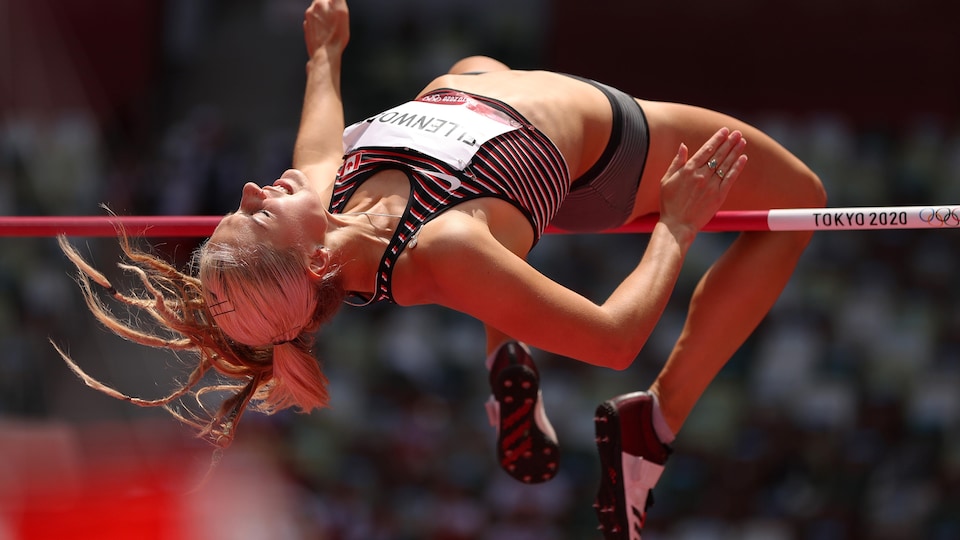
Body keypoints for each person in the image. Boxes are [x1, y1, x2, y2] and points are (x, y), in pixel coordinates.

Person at [55, 0, 826, 537]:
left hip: (486, 103)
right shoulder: (438, 251)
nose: (255, 188)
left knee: (489, 197)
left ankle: (503, 350)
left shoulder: (325, 200)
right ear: (315, 260)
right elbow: (614, 338)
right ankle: (652, 425)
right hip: (609, 151)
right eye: (255, 213)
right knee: (802, 201)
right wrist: (679, 228)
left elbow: (318, 138)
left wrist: (325, 54)